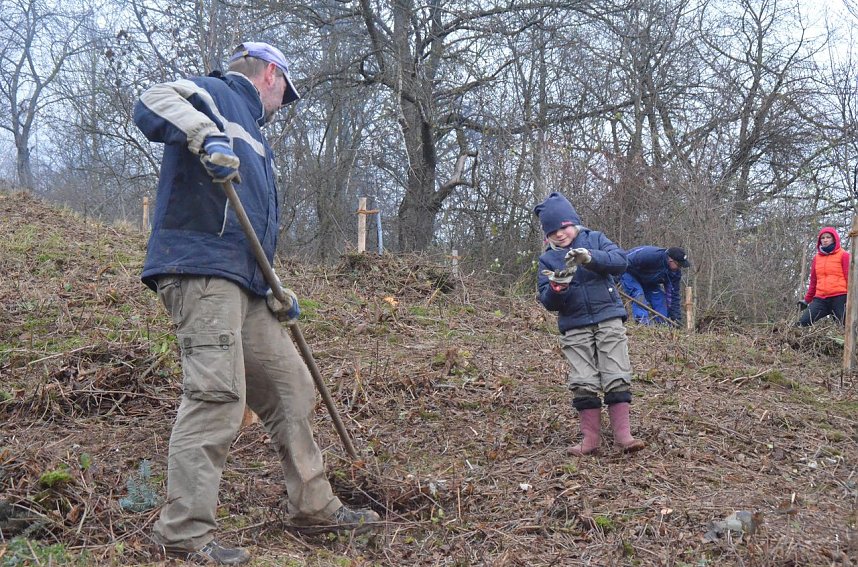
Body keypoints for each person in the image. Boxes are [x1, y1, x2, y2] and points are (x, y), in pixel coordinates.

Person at [134, 41, 379, 565]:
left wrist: (274, 288)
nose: (282, 105)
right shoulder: (215, 94)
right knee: (217, 396)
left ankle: (313, 507)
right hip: (199, 272)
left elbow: (246, 231)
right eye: (284, 93)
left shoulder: (255, 138)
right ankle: (183, 533)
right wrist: (203, 134)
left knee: (292, 388)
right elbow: (151, 100)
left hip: (243, 283)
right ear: (271, 74)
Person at [534, 192, 645, 456]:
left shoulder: (595, 239)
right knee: (582, 379)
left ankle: (623, 436)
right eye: (553, 231)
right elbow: (547, 302)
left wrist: (590, 258)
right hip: (573, 324)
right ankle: (590, 440)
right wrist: (557, 289)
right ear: (546, 236)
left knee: (616, 372)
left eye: (563, 227)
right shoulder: (547, 260)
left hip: (608, 317)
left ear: (574, 223)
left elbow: (620, 262)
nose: (560, 234)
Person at [619, 246, 690, 325]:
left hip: (648, 280)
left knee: (659, 297)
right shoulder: (650, 255)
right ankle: (642, 322)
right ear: (670, 260)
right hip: (629, 272)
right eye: (679, 265)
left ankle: (663, 324)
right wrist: (612, 278)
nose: (679, 268)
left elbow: (673, 296)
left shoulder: (674, 274)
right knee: (638, 294)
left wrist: (676, 318)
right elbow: (623, 260)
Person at [797, 227, 849, 327]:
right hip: (821, 299)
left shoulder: (844, 255)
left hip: (840, 297)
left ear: (834, 239)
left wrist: (853, 297)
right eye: (823, 238)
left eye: (828, 237)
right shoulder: (816, 258)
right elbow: (813, 281)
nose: (825, 240)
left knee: (846, 327)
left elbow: (849, 278)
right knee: (802, 323)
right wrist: (806, 300)